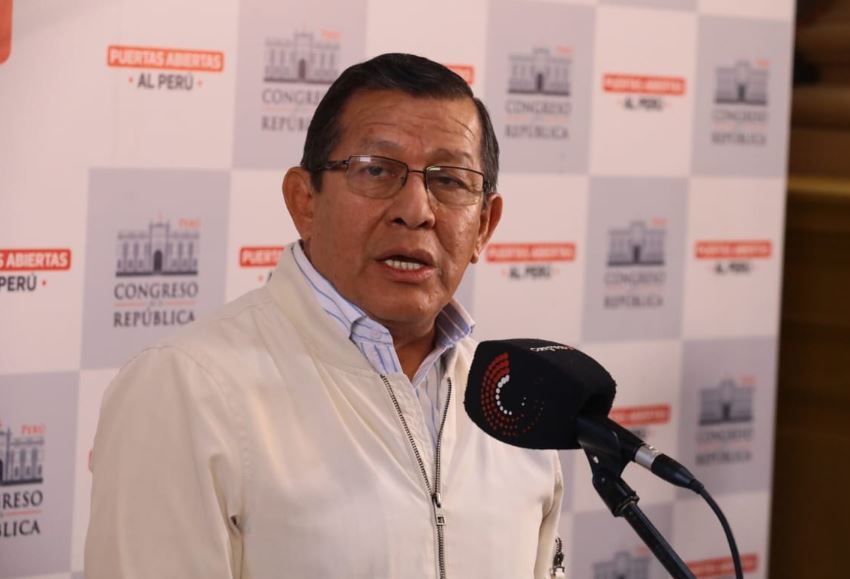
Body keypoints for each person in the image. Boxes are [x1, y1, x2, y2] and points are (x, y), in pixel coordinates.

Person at [85, 53, 563, 578]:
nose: (416, 210)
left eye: (449, 180)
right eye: (376, 170)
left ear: (485, 226)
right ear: (304, 201)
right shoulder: (186, 386)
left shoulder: (512, 401)